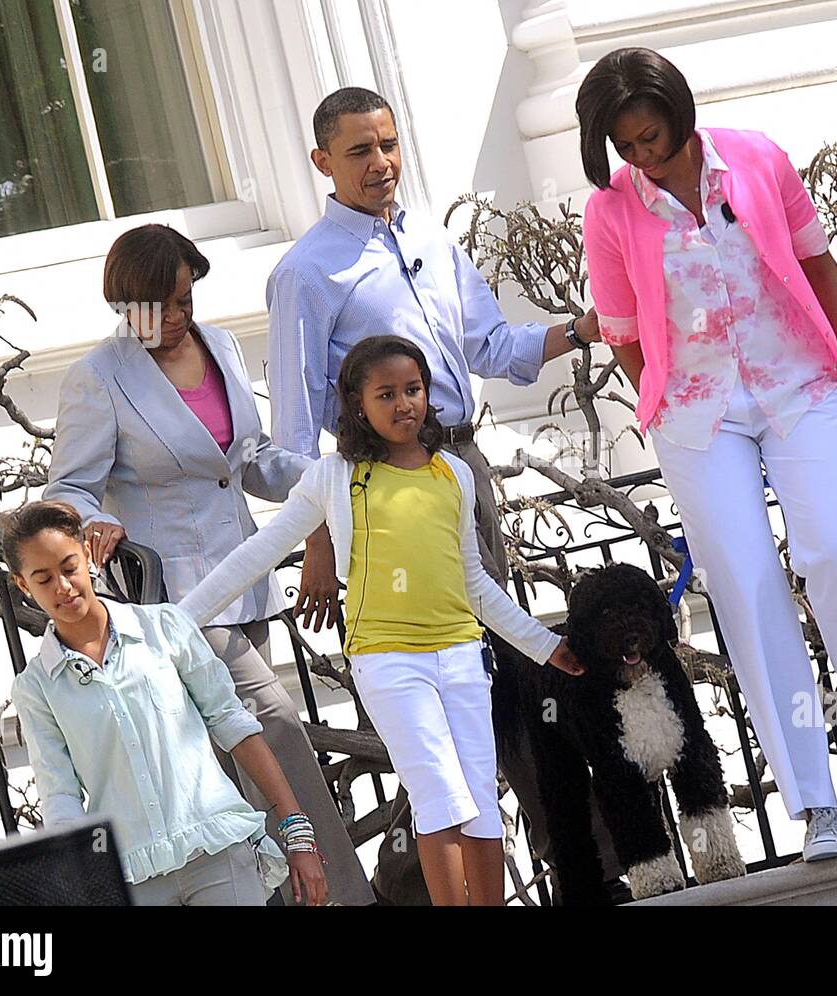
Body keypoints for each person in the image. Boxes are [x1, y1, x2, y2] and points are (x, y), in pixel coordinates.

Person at [267, 85, 619, 902]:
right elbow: (295, 432)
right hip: (382, 498)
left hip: (463, 474)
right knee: (464, 690)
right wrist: (320, 540)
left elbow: (490, 343)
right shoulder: (306, 273)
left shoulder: (431, 235)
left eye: (388, 144)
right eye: (359, 150)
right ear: (322, 162)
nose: (381, 163)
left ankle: (578, 870)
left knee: (510, 672)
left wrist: (583, 329)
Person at [577, 47, 837, 862]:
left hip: (801, 383)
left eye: (652, 136)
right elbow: (625, 337)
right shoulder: (611, 212)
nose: (643, 157)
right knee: (749, 587)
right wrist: (667, 407)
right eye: (625, 147)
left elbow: (819, 268)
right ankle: (814, 798)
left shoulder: (757, 157)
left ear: (680, 114)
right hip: (700, 420)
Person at [181, 336, 584, 905]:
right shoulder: (335, 476)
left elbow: (474, 582)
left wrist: (545, 646)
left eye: (413, 390)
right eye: (387, 394)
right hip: (389, 661)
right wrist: (178, 620)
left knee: (479, 798)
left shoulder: (454, 475)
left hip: (463, 655)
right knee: (439, 797)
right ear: (357, 403)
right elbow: (260, 551)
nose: (404, 404)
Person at [43, 224, 373, 904]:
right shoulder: (97, 378)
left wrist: (323, 476)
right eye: (156, 307)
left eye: (184, 301)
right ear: (122, 303)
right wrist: (94, 518)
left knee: (230, 765)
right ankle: (341, 897)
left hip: (248, 584)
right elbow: (68, 488)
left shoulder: (220, 344)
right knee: (273, 728)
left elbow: (248, 462)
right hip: (178, 602)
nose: (173, 319)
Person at [3, 500, 327, 906]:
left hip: (217, 851)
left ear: (87, 555)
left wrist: (298, 834)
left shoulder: (165, 628)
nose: (63, 587)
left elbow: (235, 726)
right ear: (22, 585)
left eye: (69, 568)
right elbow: (61, 795)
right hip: (132, 877)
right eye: (44, 579)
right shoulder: (36, 689)